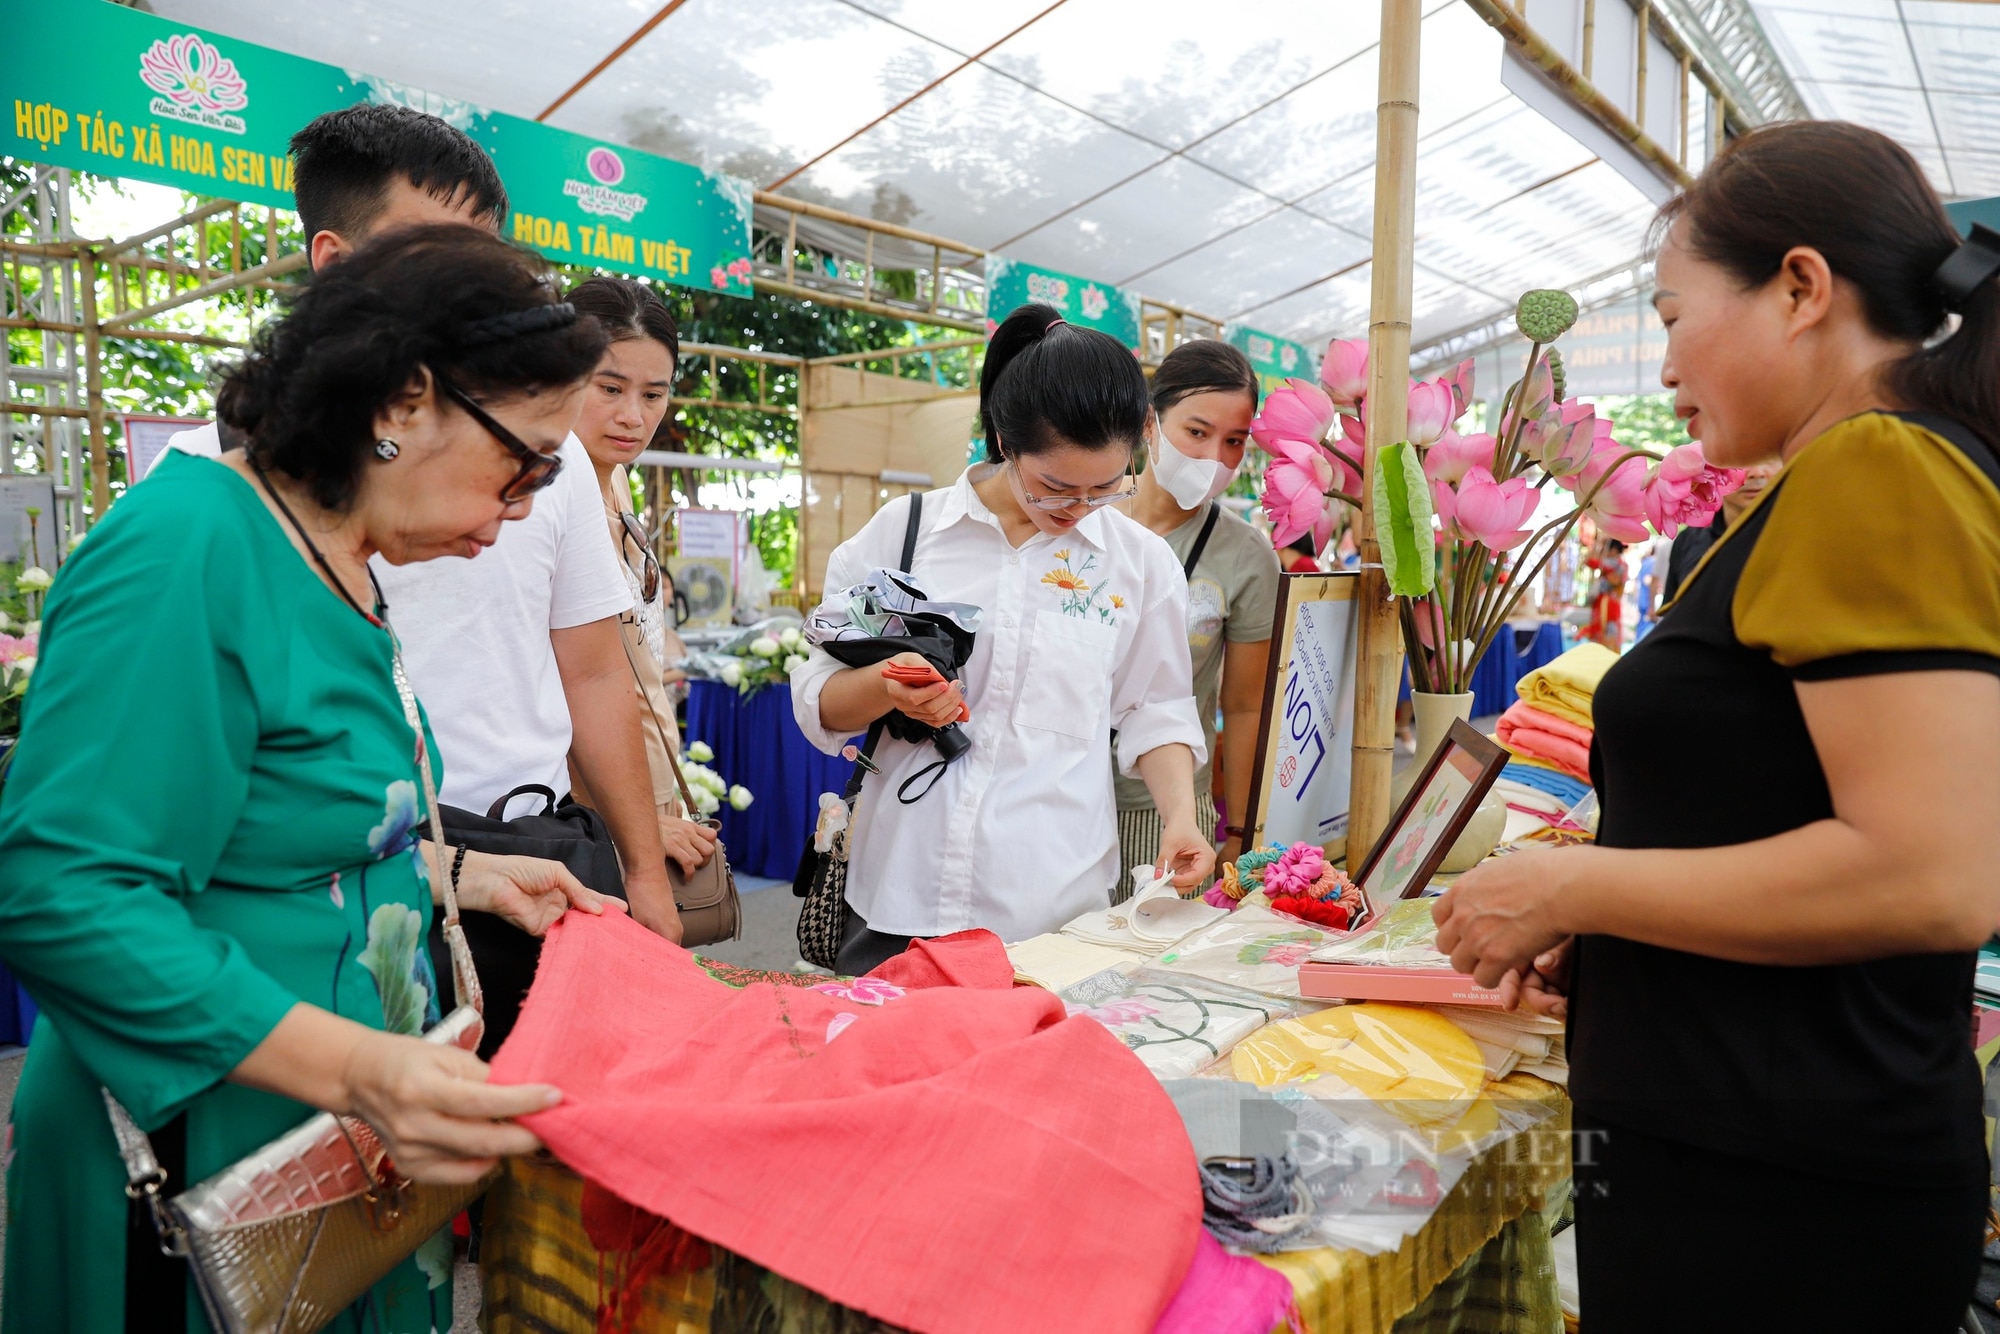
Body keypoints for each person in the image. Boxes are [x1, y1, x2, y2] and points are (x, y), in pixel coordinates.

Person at [1431, 122, 2000, 1330]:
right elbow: (1773, 801)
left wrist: (1580, 891)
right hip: (1745, 1149)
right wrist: (1615, 935)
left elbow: (1928, 876)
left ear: (1798, 288)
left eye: (1673, 312)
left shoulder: (1877, 467)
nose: (1666, 359)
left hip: (1780, 1193)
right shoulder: (1832, 476)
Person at [0, 227, 614, 1332]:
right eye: (523, 460)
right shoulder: (188, 547)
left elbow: (289, 829)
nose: (524, 504)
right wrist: (358, 1068)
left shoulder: (340, 558)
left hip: (329, 1136)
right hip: (202, 1140)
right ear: (400, 402)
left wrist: (461, 874)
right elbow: (64, 891)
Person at [157, 104, 683, 938]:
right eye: (510, 474)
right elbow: (104, 874)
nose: (500, 524)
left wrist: (473, 872)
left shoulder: (362, 574)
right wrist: (376, 1070)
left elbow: (328, 826)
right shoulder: (193, 516)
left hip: (489, 865)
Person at [792, 303, 1214, 974]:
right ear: (1004, 441)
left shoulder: (1140, 565)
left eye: (1105, 489)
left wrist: (1180, 819)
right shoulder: (904, 535)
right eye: (1053, 487)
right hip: (900, 898)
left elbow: (1156, 707)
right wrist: (887, 686)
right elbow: (819, 698)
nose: (1076, 510)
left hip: (1052, 912)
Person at [1114, 340, 1279, 886]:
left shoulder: (1246, 556)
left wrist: (1241, 830)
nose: (1214, 457)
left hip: (1172, 816)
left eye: (1234, 441)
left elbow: (1246, 707)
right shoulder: (1081, 519)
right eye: (1197, 432)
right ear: (1149, 423)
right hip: (1053, 800)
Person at [561, 275, 710, 871]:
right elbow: (569, 679)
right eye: (610, 387)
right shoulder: (547, 493)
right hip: (589, 815)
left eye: (653, 395)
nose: (632, 416)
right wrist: (633, 827)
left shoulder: (616, 479)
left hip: (646, 787)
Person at [1657, 458, 1778, 604]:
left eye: (1769, 457)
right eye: (1741, 460)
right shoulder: (1688, 540)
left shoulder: (1804, 537)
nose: (1757, 473)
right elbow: (1671, 615)